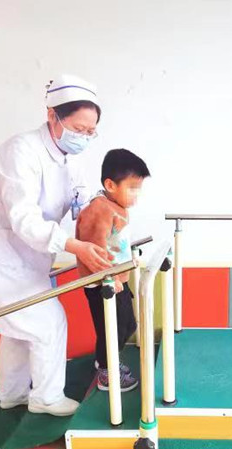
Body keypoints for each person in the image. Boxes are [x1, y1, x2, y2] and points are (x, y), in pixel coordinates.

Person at [0, 75, 112, 416]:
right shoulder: (20, 151)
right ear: (52, 115)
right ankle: (46, 398)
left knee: (19, 328)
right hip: (1, 258)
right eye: (78, 129)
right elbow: (23, 218)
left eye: (90, 132)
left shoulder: (70, 159)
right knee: (47, 322)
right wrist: (75, 246)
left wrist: (101, 210)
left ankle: (12, 394)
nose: (84, 138)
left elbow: (82, 198)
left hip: (31, 259)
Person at [75, 149, 150, 392]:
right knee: (112, 328)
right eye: (132, 188)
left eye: (139, 188)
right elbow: (95, 249)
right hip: (103, 284)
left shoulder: (114, 206)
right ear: (110, 185)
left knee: (128, 325)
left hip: (117, 278)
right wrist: (109, 277)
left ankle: (104, 361)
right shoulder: (99, 209)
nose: (136, 195)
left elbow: (115, 242)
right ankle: (107, 372)